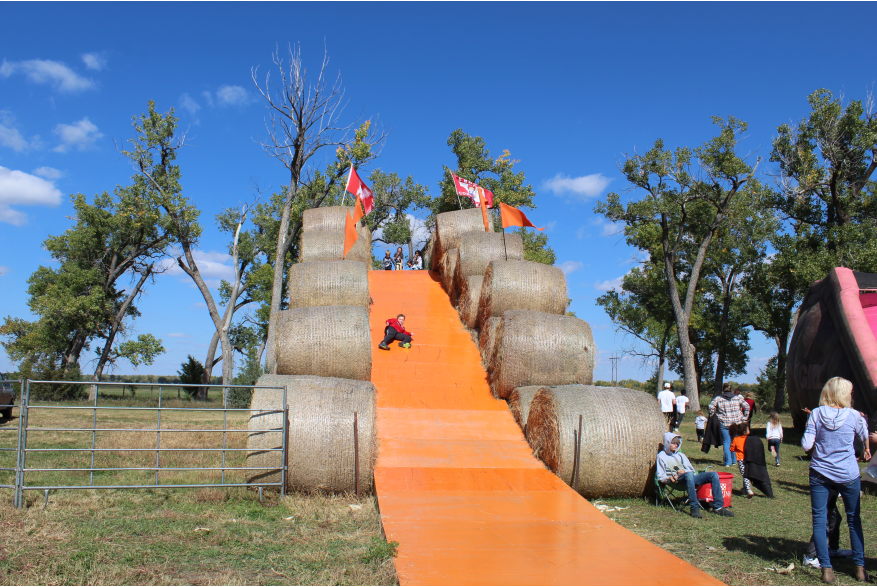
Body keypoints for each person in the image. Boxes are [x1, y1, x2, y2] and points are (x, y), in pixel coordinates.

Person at [801, 377, 870, 583]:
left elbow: (806, 445)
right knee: (854, 519)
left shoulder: (816, 413)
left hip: (821, 473)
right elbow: (864, 435)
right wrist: (864, 446)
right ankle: (859, 568)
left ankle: (826, 570)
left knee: (820, 520)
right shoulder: (855, 416)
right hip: (848, 474)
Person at [656, 432, 734, 518]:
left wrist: (684, 470)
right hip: (677, 479)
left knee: (713, 475)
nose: (676, 445)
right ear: (667, 443)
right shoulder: (661, 456)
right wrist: (669, 478)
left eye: (677, 443)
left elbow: (691, 470)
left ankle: (718, 507)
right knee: (689, 475)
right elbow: (661, 476)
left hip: (689, 477)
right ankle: (694, 507)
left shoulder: (681, 455)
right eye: (673, 443)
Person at [709, 382, 749, 467]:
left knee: (726, 442)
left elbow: (711, 407)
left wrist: (713, 415)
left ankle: (728, 462)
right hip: (736, 423)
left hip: (724, 423)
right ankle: (735, 460)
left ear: (723, 389)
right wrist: (744, 418)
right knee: (735, 441)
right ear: (731, 389)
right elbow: (747, 406)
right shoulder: (737, 398)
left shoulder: (719, 398)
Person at [729, 422, 755, 498]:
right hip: (749, 458)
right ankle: (745, 489)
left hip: (741, 459)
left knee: (744, 475)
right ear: (744, 432)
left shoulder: (736, 439)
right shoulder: (748, 439)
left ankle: (749, 490)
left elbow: (731, 449)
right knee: (747, 474)